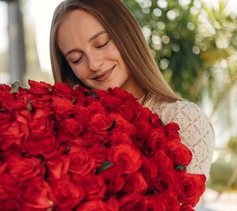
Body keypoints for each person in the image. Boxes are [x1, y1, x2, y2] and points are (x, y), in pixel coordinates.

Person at [49, 0, 214, 176]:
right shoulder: (70, 129)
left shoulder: (183, 119)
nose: (94, 64)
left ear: (126, 35)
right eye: (76, 59)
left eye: (101, 43)